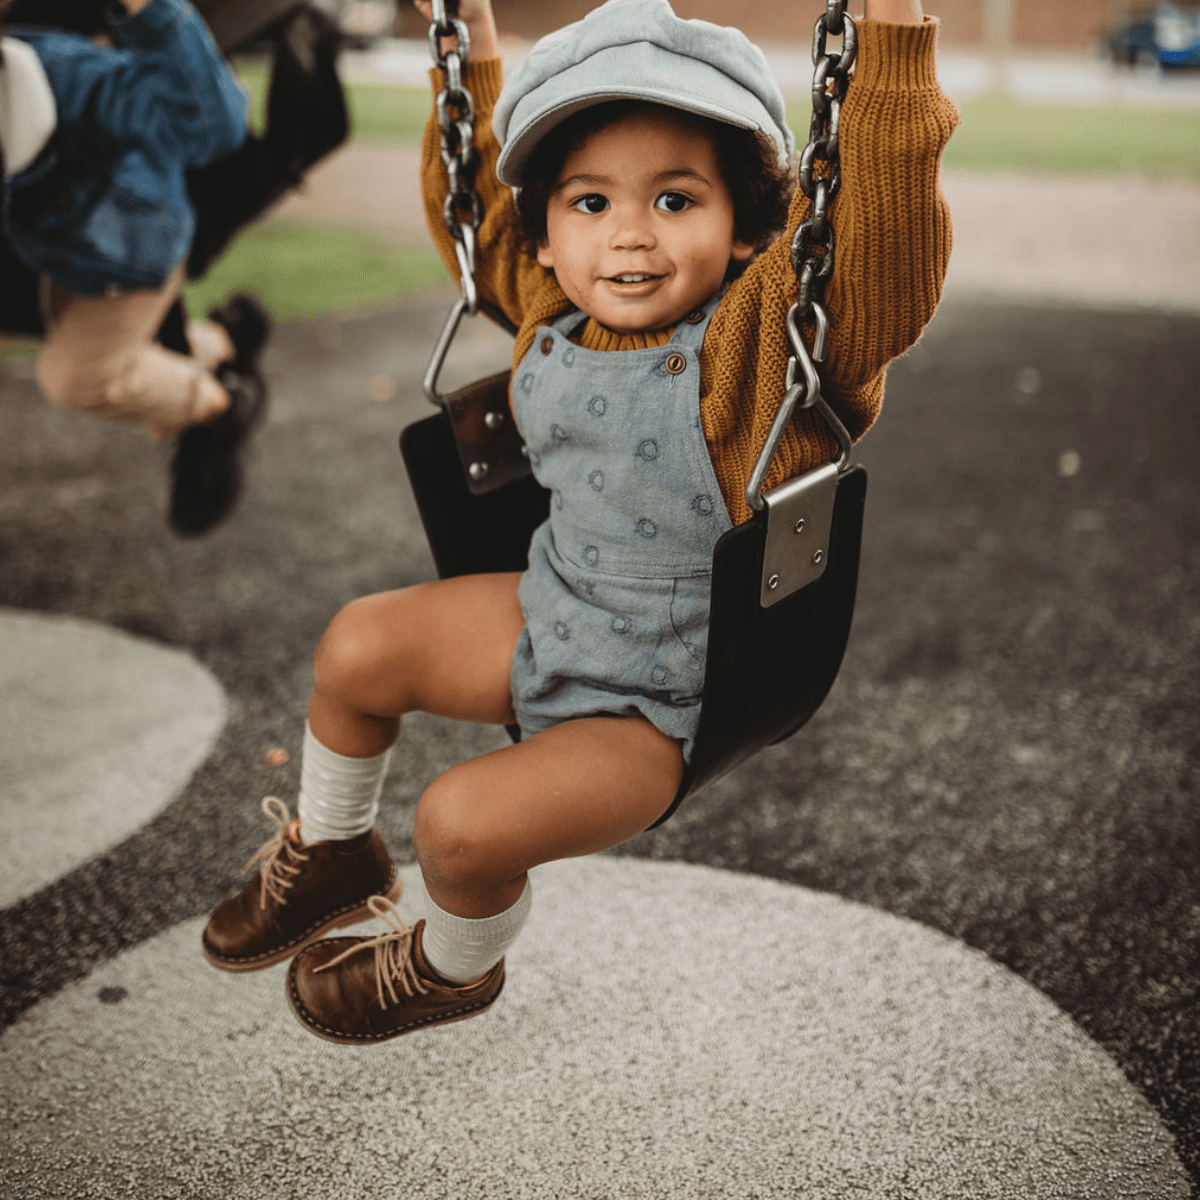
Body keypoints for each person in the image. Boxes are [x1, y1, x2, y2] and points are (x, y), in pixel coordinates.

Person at [203, 0, 957, 1044]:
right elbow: (463, 196)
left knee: (458, 826)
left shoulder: (758, 346)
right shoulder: (554, 310)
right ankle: (333, 850)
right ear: (547, 234)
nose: (630, 234)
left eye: (676, 198)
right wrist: (463, 38)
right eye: (590, 201)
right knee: (357, 646)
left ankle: (455, 963)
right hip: (551, 616)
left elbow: (875, 260)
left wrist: (890, 49)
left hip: (660, 710)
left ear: (747, 228)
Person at [0, 0, 271, 536]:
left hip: (131, 251)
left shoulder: (55, 76)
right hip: (57, 252)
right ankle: (223, 339)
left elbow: (211, 127)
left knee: (74, 377)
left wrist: (149, 11)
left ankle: (218, 405)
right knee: (106, 345)